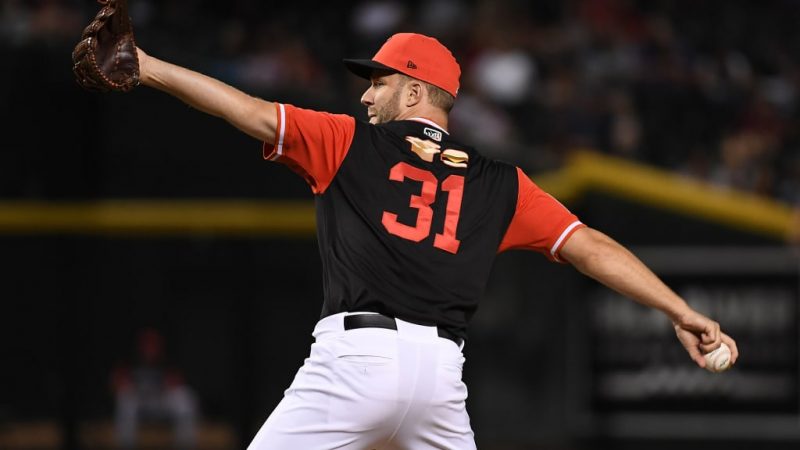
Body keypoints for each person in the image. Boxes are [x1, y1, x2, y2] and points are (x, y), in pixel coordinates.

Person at [131, 33, 738, 449]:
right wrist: (678, 310)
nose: (366, 94)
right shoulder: (503, 183)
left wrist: (147, 66)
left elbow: (251, 111)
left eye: (379, 82)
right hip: (441, 381)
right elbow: (592, 247)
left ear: (415, 91)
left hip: (356, 361)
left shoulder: (348, 141)